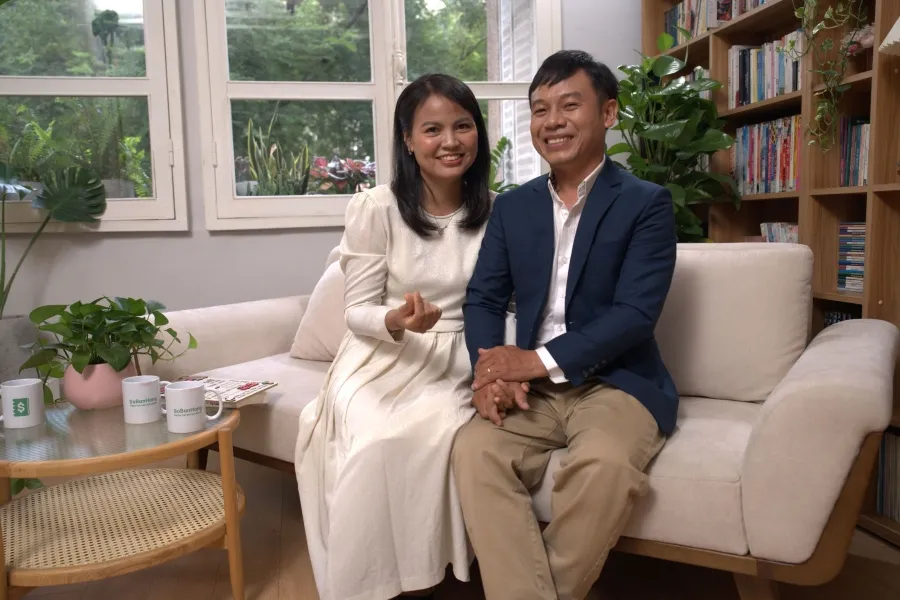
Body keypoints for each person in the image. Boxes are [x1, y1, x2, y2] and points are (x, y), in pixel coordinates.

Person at [452, 50, 679, 600]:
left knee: (602, 464)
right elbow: (482, 297)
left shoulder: (647, 204)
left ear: (607, 113)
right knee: (474, 452)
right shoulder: (513, 208)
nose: (551, 121)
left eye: (568, 105)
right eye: (539, 109)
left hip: (618, 382)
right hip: (534, 392)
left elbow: (634, 315)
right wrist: (490, 371)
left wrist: (531, 361)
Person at [294, 73, 497, 600]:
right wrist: (397, 321)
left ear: (478, 132)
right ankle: (366, 584)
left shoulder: (498, 210)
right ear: (407, 139)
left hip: (457, 356)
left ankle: (428, 571)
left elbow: (508, 303)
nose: (450, 141)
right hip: (381, 355)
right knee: (375, 441)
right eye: (432, 129)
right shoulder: (376, 208)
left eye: (462, 126)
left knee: (428, 435)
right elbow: (357, 311)